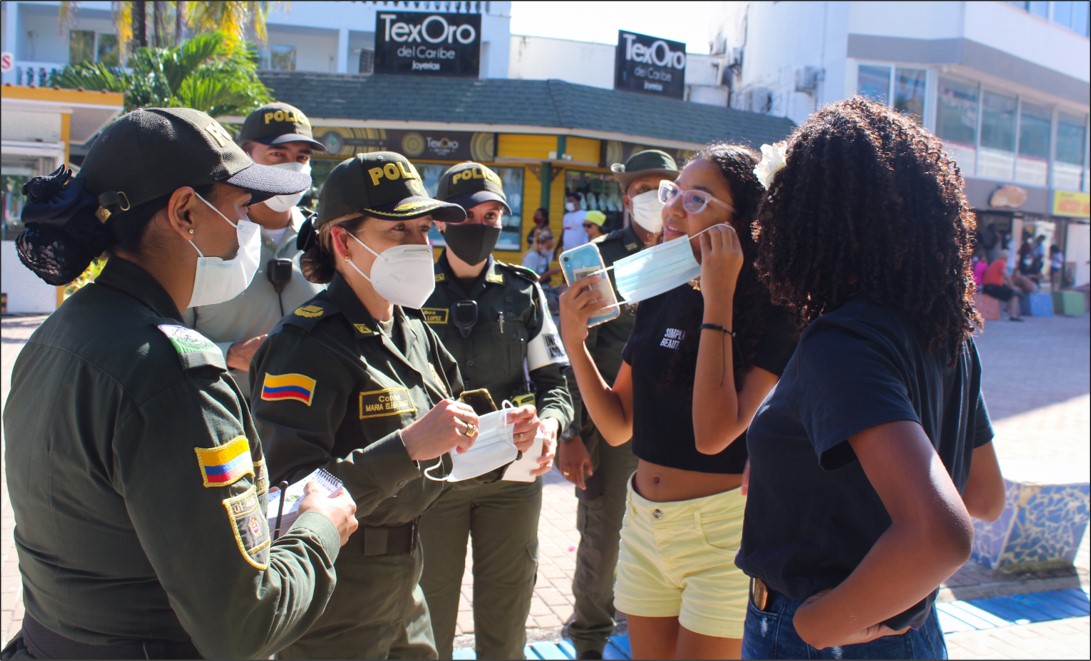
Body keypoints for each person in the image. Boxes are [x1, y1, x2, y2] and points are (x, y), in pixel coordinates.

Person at [1, 107, 358, 660]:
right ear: (186, 211)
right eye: (240, 207)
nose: (248, 227)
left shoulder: (58, 333)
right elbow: (245, 623)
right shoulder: (174, 377)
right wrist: (318, 529)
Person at [736, 97, 1007, 659]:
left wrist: (816, 627)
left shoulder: (844, 339)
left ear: (817, 216)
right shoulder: (945, 334)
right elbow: (984, 494)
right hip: (907, 628)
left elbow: (941, 532)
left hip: (829, 632)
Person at [248, 151, 544, 659]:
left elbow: (450, 448)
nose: (419, 246)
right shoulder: (306, 344)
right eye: (398, 233)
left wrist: (501, 437)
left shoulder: (413, 330)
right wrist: (406, 447)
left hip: (408, 580)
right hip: (336, 588)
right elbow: (285, 499)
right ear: (343, 240)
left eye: (424, 231)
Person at [559, 143, 798, 660]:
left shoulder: (775, 311)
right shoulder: (659, 290)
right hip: (644, 522)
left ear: (743, 221)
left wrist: (718, 297)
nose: (670, 210)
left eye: (696, 200)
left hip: (720, 534)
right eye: (674, 194)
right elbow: (619, 425)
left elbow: (714, 435)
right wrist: (575, 341)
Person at [418, 161, 573, 659]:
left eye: (492, 217)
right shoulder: (409, 293)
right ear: (440, 220)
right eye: (467, 215)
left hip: (511, 478)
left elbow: (555, 384)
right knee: (427, 611)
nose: (481, 227)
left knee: (506, 615)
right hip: (434, 480)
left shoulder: (524, 291)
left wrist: (549, 426)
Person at [557, 148, 679, 660]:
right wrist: (570, 436)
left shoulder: (690, 254)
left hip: (677, 431)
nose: (655, 198)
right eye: (643, 188)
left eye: (665, 187)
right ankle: (588, 641)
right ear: (626, 198)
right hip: (612, 426)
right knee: (603, 543)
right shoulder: (598, 259)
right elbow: (571, 350)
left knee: (669, 545)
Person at [183, 101, 328, 396]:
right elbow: (167, 336)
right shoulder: (204, 238)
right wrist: (230, 354)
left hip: (308, 423)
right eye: (277, 154)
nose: (292, 166)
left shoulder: (326, 240)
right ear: (244, 156)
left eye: (302, 157)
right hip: (224, 414)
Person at [982, 249, 1025, 321]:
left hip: (988, 287)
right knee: (1014, 294)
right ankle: (1013, 315)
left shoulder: (995, 262)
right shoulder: (1001, 263)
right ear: (1006, 257)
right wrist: (1012, 287)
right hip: (992, 288)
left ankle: (1006, 310)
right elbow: (1007, 277)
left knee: (1012, 292)